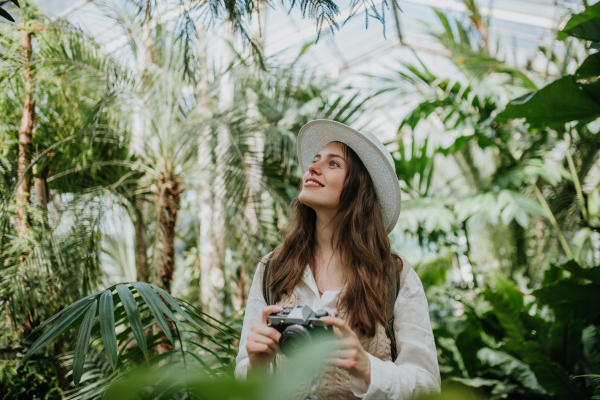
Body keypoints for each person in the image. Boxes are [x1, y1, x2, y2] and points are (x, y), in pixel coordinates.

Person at [235, 120, 441, 399]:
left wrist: (366, 368)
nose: (313, 167)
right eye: (315, 159)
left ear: (360, 189)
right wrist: (257, 366)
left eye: (333, 164)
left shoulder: (396, 276)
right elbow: (245, 379)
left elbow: (427, 384)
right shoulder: (272, 269)